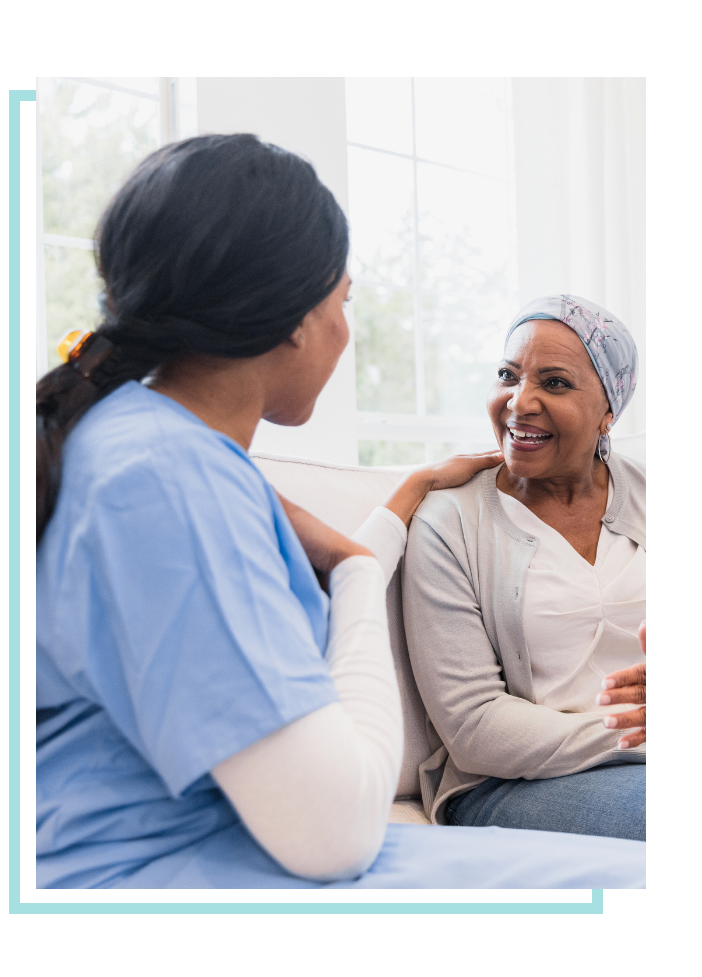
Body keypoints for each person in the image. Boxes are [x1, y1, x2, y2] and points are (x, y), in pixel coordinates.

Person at [36, 137, 645, 889]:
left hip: (234, 842)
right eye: (344, 300)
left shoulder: (155, 450)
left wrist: (391, 512)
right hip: (164, 866)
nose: (344, 330)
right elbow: (332, 834)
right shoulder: (162, 477)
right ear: (293, 314)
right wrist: (358, 573)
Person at [402, 295, 646, 840]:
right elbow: (475, 727)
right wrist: (630, 735)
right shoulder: (451, 521)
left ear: (609, 411)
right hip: (510, 781)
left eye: (554, 383)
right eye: (507, 375)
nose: (520, 402)